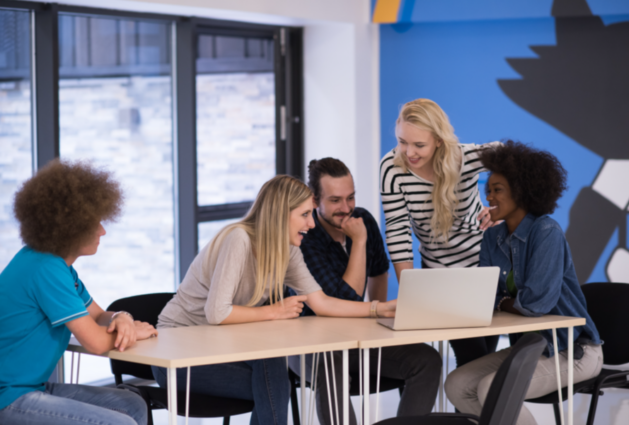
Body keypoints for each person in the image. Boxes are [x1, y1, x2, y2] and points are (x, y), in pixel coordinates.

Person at [153, 174, 397, 425]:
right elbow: (217, 312)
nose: (312, 224)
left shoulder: (288, 251)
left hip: (217, 349)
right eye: (304, 215)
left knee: (272, 374)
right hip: (177, 354)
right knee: (273, 385)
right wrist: (274, 311)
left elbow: (321, 302)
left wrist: (379, 308)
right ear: (281, 214)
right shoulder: (239, 239)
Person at [445, 141, 603, 425]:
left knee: (492, 388)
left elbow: (534, 304)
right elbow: (484, 296)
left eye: (498, 189)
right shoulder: (491, 238)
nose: (489, 196)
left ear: (521, 191)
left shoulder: (546, 232)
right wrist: (500, 303)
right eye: (488, 189)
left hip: (573, 351)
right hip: (529, 349)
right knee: (456, 384)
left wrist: (502, 303)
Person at [0, 160, 156, 425]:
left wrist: (122, 317)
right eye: (95, 223)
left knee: (132, 404)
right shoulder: (44, 268)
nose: (102, 231)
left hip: (30, 388)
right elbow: (95, 342)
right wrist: (134, 334)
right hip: (10, 398)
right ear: (70, 226)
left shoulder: (58, 266)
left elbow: (97, 316)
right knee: (120, 423)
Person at [288, 158, 441, 425]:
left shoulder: (364, 219)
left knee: (427, 360)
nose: (346, 208)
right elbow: (343, 299)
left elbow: (379, 271)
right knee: (331, 366)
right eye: (335, 200)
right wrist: (358, 242)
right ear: (314, 200)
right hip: (310, 345)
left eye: (351, 197)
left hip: (356, 338)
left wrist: (378, 323)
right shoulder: (305, 237)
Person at [380, 98, 500, 368]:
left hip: (483, 269)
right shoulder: (391, 167)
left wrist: (502, 208)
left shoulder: (466, 157)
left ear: (438, 141)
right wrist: (411, 291)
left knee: (480, 360)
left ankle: (474, 410)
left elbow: (513, 157)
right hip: (440, 274)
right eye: (402, 141)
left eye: (419, 145)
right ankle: (476, 411)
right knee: (474, 360)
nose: (408, 152)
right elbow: (398, 231)